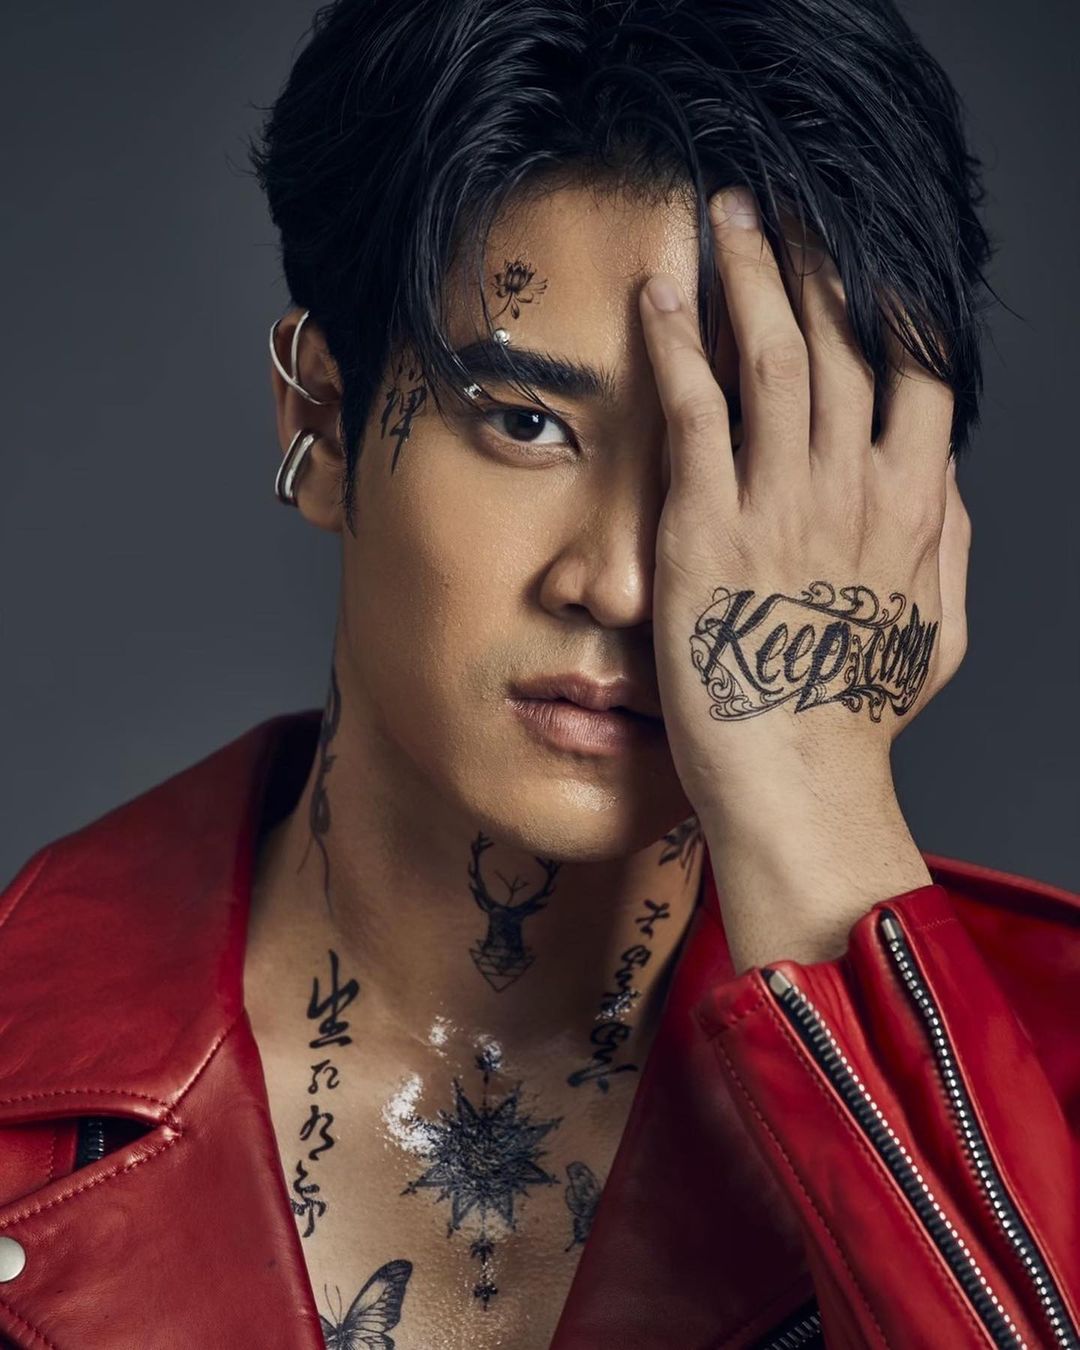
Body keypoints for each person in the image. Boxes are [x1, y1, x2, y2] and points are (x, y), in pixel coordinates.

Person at [0, 0, 1077, 1346]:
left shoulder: (1052, 1105)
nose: (620, 583)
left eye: (738, 464)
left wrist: (823, 830)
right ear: (322, 417)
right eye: (526, 422)